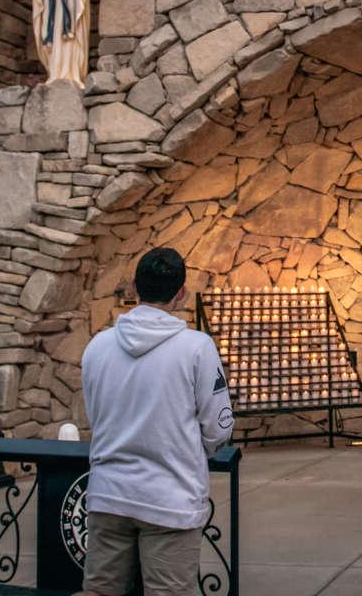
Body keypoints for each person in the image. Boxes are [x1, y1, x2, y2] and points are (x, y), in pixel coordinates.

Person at [79, 247, 234, 596]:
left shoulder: (98, 346)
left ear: (134, 287)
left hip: (109, 494)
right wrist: (198, 449)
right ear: (181, 293)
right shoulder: (197, 348)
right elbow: (218, 426)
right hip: (170, 496)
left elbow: (95, 413)